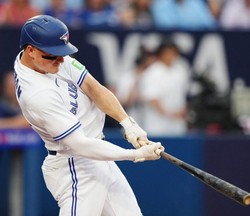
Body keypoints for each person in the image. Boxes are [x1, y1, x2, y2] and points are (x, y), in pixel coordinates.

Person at [14, 15, 164, 215]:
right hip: (75, 165)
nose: (61, 60)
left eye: (62, 53)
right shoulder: (37, 95)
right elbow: (81, 144)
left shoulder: (49, 57)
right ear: (30, 51)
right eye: (53, 55)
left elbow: (94, 88)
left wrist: (128, 123)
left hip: (98, 156)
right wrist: (135, 155)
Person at [138, 39, 190, 136]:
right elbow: (152, 99)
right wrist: (170, 114)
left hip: (177, 125)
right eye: (167, 53)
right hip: (157, 126)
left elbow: (184, 94)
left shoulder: (180, 70)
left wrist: (182, 111)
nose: (170, 56)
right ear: (161, 54)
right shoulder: (152, 72)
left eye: (173, 53)